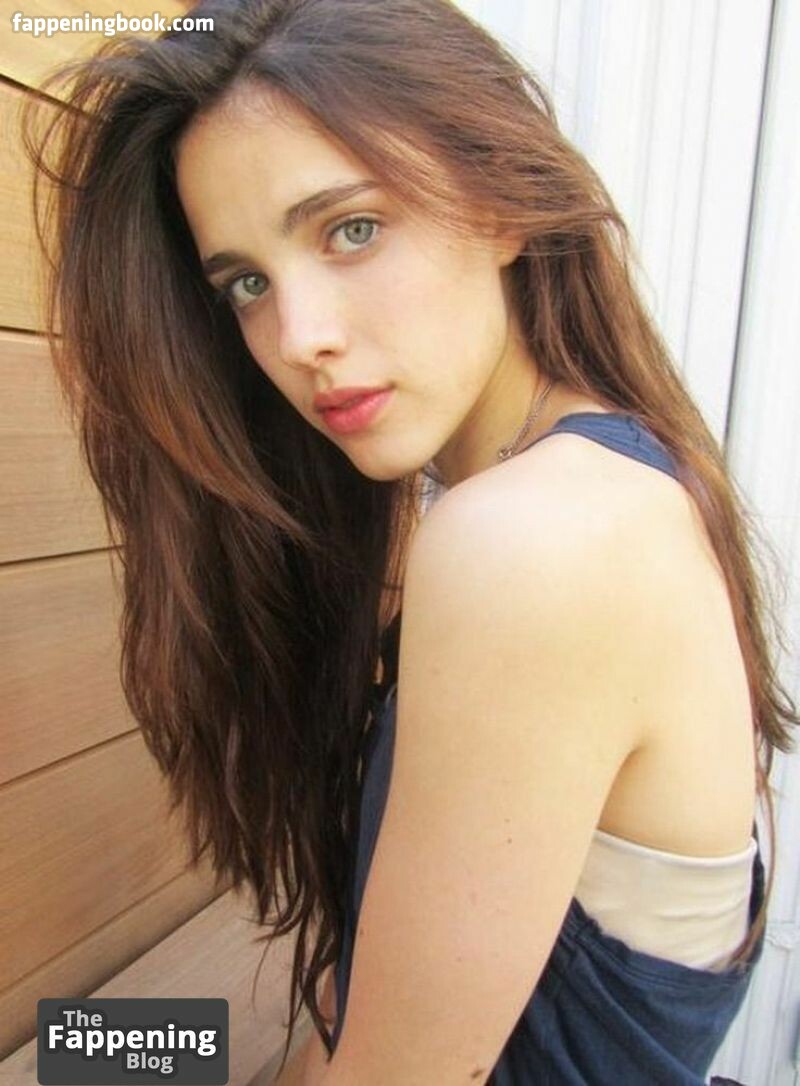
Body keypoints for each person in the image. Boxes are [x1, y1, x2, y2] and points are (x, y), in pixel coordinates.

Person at [23, 0, 798, 1082]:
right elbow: (353, 1018)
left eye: (351, 230)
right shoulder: (589, 481)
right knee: (76, 1050)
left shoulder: (532, 541)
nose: (299, 339)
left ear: (502, 203)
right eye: (246, 283)